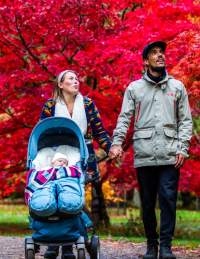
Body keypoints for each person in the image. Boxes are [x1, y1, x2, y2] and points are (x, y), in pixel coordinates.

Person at [109, 41, 192, 259]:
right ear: (146, 61)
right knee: (147, 203)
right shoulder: (134, 88)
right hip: (144, 154)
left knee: (168, 199)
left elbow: (185, 120)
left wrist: (183, 148)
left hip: (170, 154)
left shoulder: (177, 87)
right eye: (154, 53)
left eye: (161, 52)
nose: (160, 55)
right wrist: (117, 143)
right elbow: (124, 118)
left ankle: (165, 247)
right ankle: (151, 245)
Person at [40, 70, 112, 259]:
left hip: (83, 156)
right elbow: (43, 133)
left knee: (73, 198)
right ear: (60, 84)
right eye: (70, 78)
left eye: (77, 78)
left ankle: (68, 245)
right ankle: (56, 242)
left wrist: (111, 147)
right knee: (56, 196)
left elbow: (99, 131)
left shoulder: (88, 104)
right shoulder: (50, 106)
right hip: (57, 156)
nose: (76, 81)